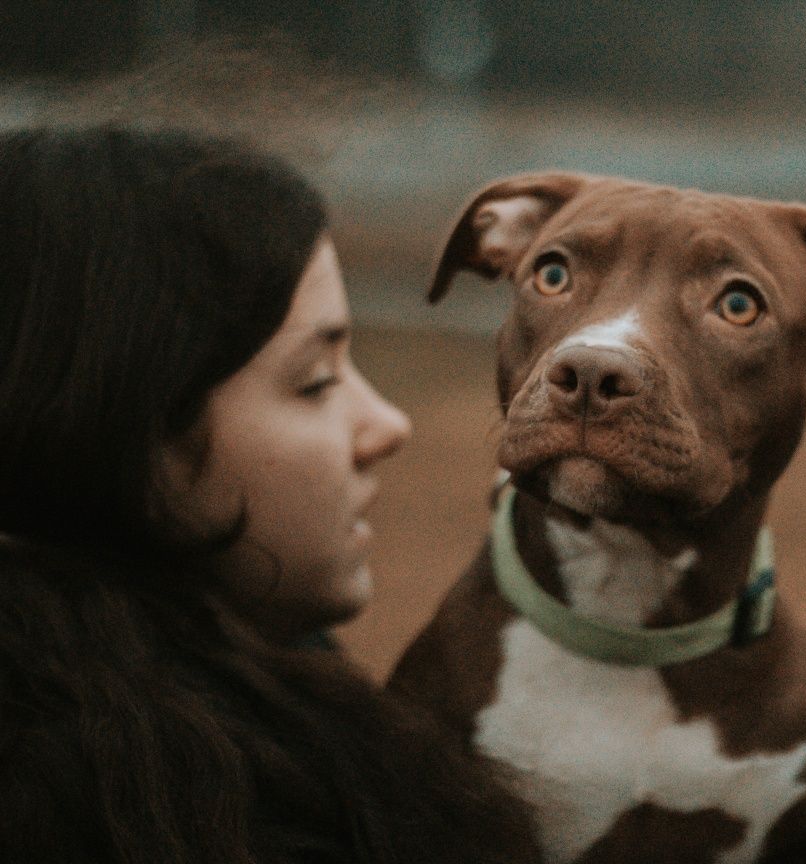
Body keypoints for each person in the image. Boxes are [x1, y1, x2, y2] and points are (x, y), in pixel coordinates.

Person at [0, 124, 534, 863]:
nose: (387, 424)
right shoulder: (185, 817)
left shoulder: (247, 704)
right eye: (315, 382)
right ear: (118, 439)